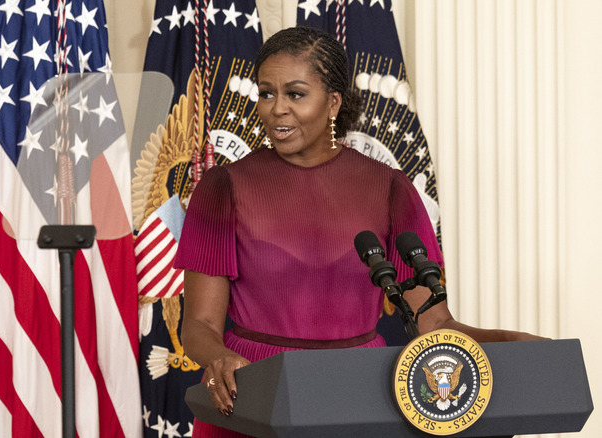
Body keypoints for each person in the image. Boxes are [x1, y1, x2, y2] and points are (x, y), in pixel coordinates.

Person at [174, 26, 542, 438]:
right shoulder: (223, 187)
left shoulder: (389, 188)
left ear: (333, 102)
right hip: (253, 395)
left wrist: (511, 341)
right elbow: (199, 325)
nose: (276, 108)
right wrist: (220, 358)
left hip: (361, 395)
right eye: (266, 92)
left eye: (295, 94)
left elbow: (434, 326)